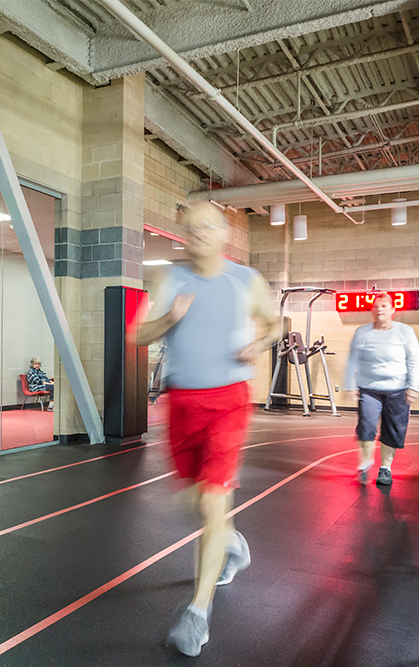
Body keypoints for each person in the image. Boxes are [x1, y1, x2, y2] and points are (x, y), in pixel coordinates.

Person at [136, 201, 278, 657]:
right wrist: (169, 319)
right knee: (197, 502)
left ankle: (198, 614)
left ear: (224, 232)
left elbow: (275, 324)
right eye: (189, 228)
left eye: (207, 226)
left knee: (215, 498)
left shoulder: (245, 280)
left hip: (229, 402)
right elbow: (137, 335)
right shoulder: (169, 279)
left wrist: (258, 341)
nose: (197, 233)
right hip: (182, 403)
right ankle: (233, 544)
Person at [344, 292, 419, 486]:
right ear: (372, 310)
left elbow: (414, 361)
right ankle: (365, 463)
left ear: (392, 310)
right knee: (366, 426)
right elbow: (352, 360)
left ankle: (385, 469)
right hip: (369, 388)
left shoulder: (405, 331)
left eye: (384, 306)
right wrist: (349, 385)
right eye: (376, 306)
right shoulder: (362, 332)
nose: (379, 309)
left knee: (392, 430)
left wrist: (413, 386)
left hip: (398, 389)